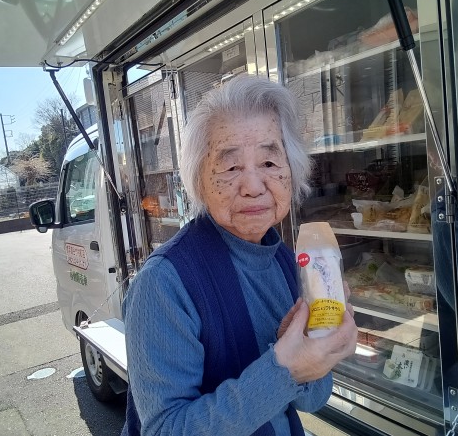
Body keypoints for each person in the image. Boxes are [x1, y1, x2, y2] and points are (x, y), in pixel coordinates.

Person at [122, 75, 358, 436]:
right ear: (199, 181)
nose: (253, 186)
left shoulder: (286, 261)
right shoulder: (163, 283)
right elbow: (164, 429)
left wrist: (319, 349)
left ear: (292, 171)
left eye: (269, 163)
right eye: (231, 167)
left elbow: (312, 400)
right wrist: (285, 370)